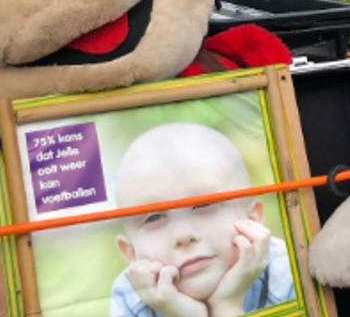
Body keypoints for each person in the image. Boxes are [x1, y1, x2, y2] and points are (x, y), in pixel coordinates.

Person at [110, 123, 295, 317]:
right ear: (131, 254)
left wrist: (228, 308)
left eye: (203, 204)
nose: (184, 235)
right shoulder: (130, 296)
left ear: (253, 219)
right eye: (154, 217)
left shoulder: (287, 274)